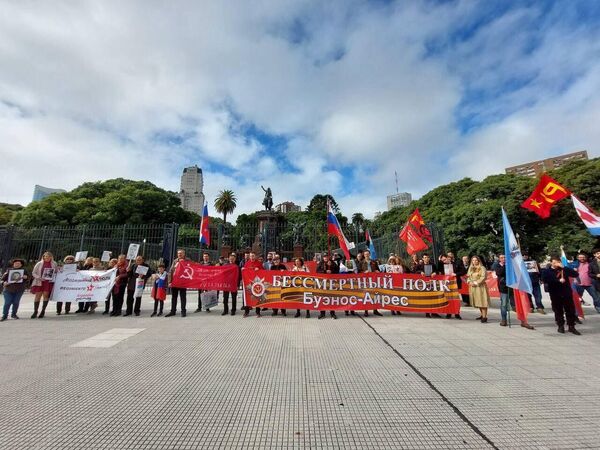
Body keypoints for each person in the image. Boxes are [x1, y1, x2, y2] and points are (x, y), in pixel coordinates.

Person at [542, 256, 581, 335]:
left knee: (570, 310)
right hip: (555, 293)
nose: (556, 264)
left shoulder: (564, 269)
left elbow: (575, 274)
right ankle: (560, 325)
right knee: (558, 310)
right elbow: (545, 280)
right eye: (554, 262)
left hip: (566, 293)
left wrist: (564, 267)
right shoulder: (547, 271)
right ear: (551, 262)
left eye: (558, 262)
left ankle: (571, 326)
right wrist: (557, 280)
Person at [30, 251, 57, 319]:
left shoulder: (54, 263)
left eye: (48, 256)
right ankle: (35, 311)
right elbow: (33, 273)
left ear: (51, 257)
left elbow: (56, 272)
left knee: (46, 296)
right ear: (43, 257)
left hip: (48, 282)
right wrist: (39, 277)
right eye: (45, 256)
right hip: (39, 282)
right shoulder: (39, 263)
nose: (46, 258)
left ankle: (43, 311)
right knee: (37, 296)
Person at [358, 250, 383, 317]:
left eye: (368, 254)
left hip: (374, 281)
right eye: (365, 254)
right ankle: (366, 311)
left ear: (369, 255)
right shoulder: (361, 262)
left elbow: (378, 270)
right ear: (364, 255)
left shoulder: (373, 262)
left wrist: (377, 271)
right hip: (365, 281)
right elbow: (358, 272)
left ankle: (375, 310)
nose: (367, 255)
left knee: (375, 295)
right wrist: (363, 272)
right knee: (366, 296)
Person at [166, 249, 188, 317]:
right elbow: (171, 271)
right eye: (178, 253)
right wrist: (169, 282)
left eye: (181, 253)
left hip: (183, 282)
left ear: (184, 254)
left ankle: (183, 311)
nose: (179, 255)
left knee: (183, 297)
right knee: (174, 297)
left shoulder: (187, 260)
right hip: (175, 282)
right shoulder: (175, 261)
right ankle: (173, 311)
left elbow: (192, 268)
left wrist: (184, 262)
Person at [467, 256, 489, 323]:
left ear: (478, 261)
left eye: (476, 260)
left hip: (480, 287)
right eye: (473, 260)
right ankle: (482, 315)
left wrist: (476, 283)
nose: (474, 261)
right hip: (473, 287)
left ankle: (484, 317)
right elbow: (468, 276)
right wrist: (469, 282)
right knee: (478, 301)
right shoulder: (471, 268)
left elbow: (483, 277)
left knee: (482, 301)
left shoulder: (482, 268)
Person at [316, 254, 338, 319]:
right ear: (323, 258)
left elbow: (337, 270)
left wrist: (331, 267)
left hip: (331, 283)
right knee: (323, 298)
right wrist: (325, 271)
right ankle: (322, 313)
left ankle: (332, 313)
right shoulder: (320, 263)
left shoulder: (333, 263)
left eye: (327, 257)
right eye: (325, 257)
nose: (326, 258)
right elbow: (317, 271)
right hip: (323, 283)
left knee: (331, 298)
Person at [243, 251, 263, 317]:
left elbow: (263, 272)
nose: (252, 257)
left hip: (256, 283)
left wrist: (259, 269)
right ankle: (246, 312)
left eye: (253, 256)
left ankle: (258, 312)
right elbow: (244, 272)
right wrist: (243, 270)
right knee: (247, 296)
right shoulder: (247, 263)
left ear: (255, 256)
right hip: (248, 283)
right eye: (251, 256)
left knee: (257, 297)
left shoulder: (259, 263)